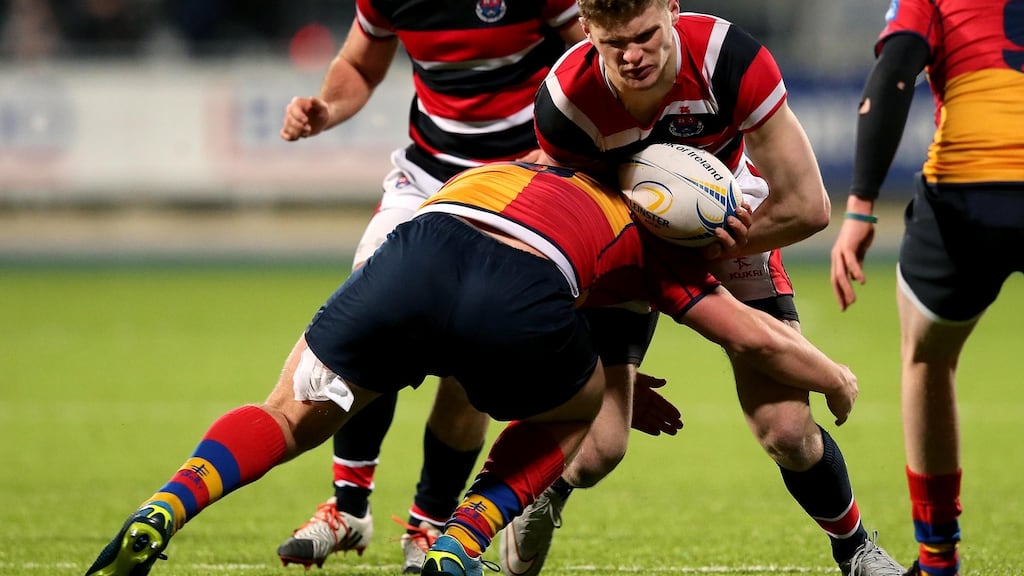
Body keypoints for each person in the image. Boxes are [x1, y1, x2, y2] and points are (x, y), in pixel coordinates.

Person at [82, 160, 861, 576]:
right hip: (515, 290)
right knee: (579, 413)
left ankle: (169, 505)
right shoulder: (658, 243)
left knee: (289, 410)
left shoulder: (524, 161)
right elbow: (755, 339)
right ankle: (459, 544)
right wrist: (832, 376)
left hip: (419, 248)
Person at [498, 1, 907, 575]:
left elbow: (808, 207)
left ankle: (856, 549)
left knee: (788, 429)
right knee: (597, 452)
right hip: (623, 239)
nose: (633, 55)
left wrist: (712, 244)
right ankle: (548, 491)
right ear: (587, 30)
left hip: (731, 228)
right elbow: (575, 235)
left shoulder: (729, 61)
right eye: (616, 44)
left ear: (672, 8)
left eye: (645, 35)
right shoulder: (567, 103)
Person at [276, 0, 587, 572]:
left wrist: (569, 145)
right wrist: (326, 107)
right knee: (369, 316)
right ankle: (349, 507)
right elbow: (360, 64)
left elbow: (591, 55)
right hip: (426, 177)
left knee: (475, 354)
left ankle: (428, 526)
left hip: (521, 185)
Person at [829, 2, 1024, 575]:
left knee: (927, 357)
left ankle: (938, 559)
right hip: (972, 189)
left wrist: (861, 207)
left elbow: (897, 68)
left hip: (969, 192)